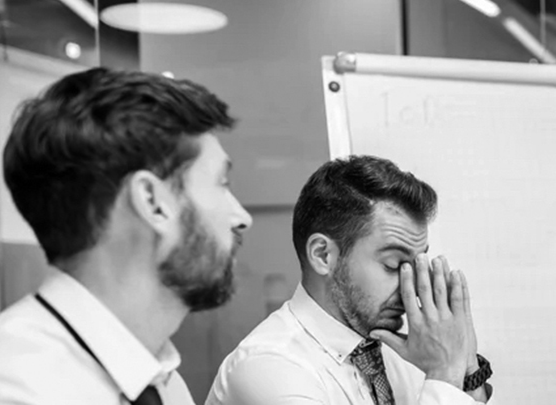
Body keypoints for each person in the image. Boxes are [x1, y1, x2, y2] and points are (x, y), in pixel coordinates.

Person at [0, 68, 253, 404]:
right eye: (222, 183)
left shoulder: (162, 382)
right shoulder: (17, 389)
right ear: (152, 201)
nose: (242, 218)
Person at [206, 155, 490, 405]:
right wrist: (443, 373)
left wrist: (465, 367)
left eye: (416, 266)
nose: (412, 287)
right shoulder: (267, 367)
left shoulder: (406, 354)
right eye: (393, 266)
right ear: (322, 255)